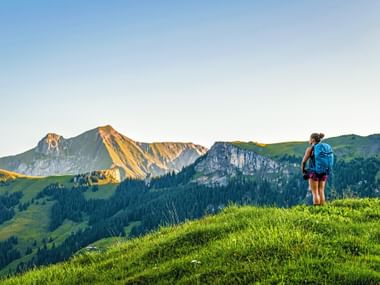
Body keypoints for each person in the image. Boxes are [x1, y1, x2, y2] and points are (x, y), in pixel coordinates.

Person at [301, 133, 328, 206]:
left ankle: (317, 209)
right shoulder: (323, 148)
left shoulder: (310, 149)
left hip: (313, 172)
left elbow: (304, 161)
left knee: (315, 192)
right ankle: (323, 208)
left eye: (309, 138)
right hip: (323, 172)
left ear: (313, 139)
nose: (308, 140)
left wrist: (303, 170)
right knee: (321, 191)